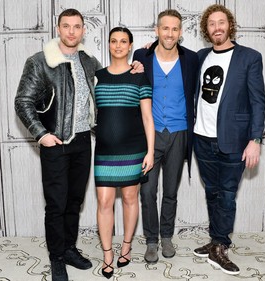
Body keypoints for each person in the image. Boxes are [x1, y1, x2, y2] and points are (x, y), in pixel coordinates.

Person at [14, 9, 143, 281]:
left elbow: (111, 81)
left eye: (77, 27)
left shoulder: (89, 61)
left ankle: (69, 248)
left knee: (75, 200)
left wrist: (137, 66)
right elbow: (22, 101)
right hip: (55, 143)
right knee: (56, 204)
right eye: (66, 26)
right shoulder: (40, 62)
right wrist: (41, 134)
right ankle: (56, 257)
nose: (71, 31)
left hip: (84, 143)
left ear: (83, 30)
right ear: (58, 28)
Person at [192, 4, 265, 275]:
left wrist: (255, 139)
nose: (217, 28)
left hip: (234, 140)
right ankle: (216, 239)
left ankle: (220, 244)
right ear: (206, 29)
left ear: (229, 25)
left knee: (226, 194)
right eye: (211, 24)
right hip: (202, 138)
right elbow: (169, 58)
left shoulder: (249, 57)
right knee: (212, 192)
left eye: (221, 22)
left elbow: (258, 101)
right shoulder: (200, 56)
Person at [133, 9, 199, 264]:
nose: (169, 33)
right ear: (157, 30)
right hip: (149, 135)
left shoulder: (192, 58)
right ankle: (151, 240)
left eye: (174, 29)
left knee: (171, 191)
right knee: (148, 192)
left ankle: (167, 236)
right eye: (165, 28)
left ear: (180, 32)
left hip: (180, 132)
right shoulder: (141, 56)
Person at [94, 27, 154, 279]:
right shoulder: (96, 76)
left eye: (123, 42)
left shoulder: (139, 76)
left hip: (133, 149)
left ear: (130, 46)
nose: (118, 45)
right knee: (104, 202)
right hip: (105, 151)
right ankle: (108, 254)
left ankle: (126, 246)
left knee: (130, 199)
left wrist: (150, 152)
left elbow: (147, 117)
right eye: (113, 41)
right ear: (108, 45)